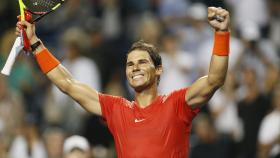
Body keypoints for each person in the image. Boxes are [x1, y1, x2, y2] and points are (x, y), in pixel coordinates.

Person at [16, 6, 230, 158]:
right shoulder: (116, 109)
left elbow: (214, 79)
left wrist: (221, 34)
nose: (134, 67)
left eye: (142, 62)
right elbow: (68, 84)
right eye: (130, 64)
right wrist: (35, 43)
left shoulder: (177, 104)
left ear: (158, 70)